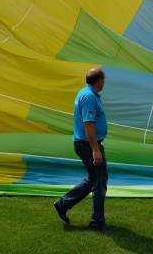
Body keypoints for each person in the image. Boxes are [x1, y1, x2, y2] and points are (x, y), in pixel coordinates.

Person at [54, 67, 108, 231]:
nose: (104, 83)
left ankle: (63, 203)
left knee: (93, 179)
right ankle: (97, 222)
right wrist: (96, 150)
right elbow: (89, 124)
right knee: (99, 181)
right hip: (89, 145)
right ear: (99, 80)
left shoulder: (83, 92)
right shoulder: (90, 97)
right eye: (103, 80)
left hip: (85, 144)